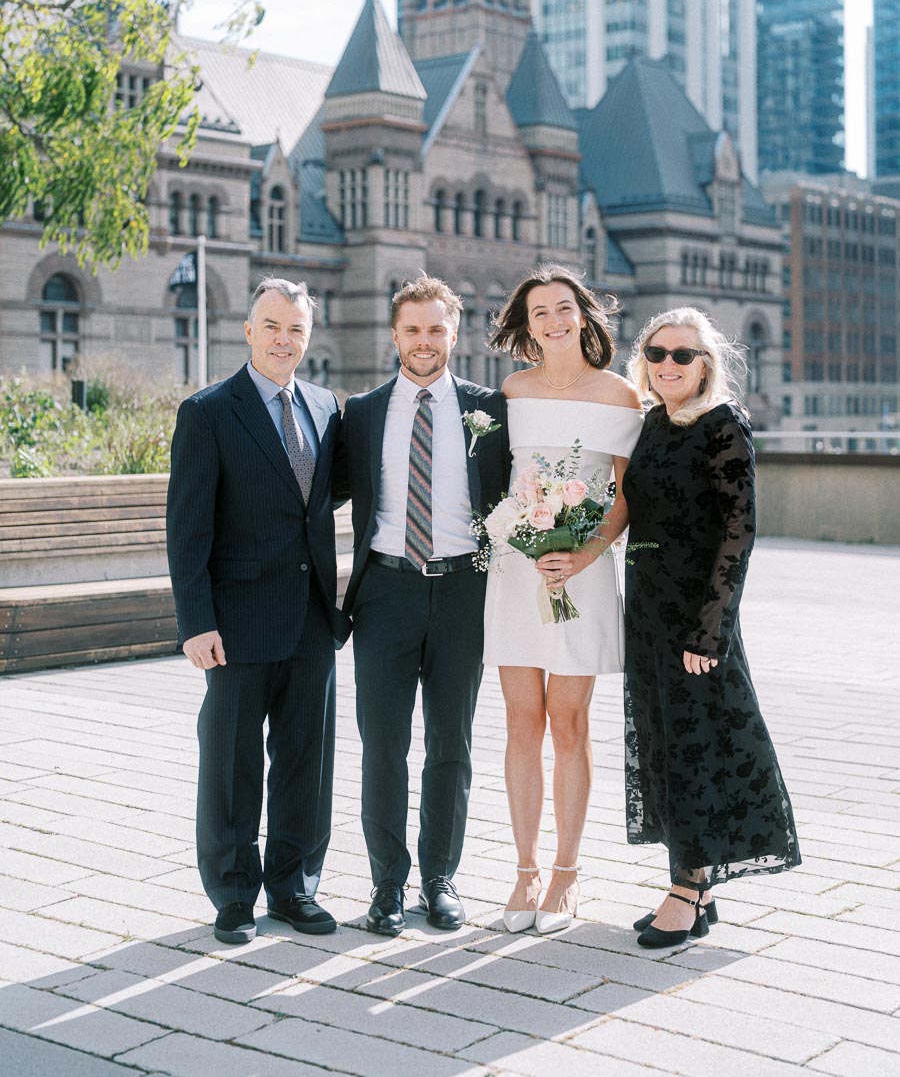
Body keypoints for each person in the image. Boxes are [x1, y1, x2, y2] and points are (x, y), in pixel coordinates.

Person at [166, 277, 349, 946]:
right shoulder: (209, 411)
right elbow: (187, 529)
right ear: (248, 330)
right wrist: (196, 621)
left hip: (309, 622)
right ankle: (234, 896)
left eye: (296, 329)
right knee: (232, 764)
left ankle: (295, 888)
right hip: (236, 622)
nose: (283, 340)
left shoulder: (327, 408)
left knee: (306, 761)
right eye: (272, 326)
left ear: (308, 336)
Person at [334, 275, 509, 936]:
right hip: (385, 591)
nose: (425, 342)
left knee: (451, 746)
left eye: (437, 329)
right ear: (394, 335)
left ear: (454, 335)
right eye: (413, 329)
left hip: (464, 590)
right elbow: (316, 494)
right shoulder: (363, 413)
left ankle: (440, 880)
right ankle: (386, 886)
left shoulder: (490, 410)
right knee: (383, 745)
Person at [622, 306, 800, 948]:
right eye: (657, 353)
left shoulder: (723, 425)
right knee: (663, 743)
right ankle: (686, 877)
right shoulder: (652, 424)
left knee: (697, 741)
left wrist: (710, 629)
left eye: (683, 355)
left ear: (706, 366)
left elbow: (738, 531)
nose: (668, 364)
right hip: (645, 609)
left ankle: (689, 892)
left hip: (695, 617)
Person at [484, 265, 643, 933]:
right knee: (522, 720)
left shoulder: (619, 396)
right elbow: (499, 483)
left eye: (563, 309)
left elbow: (628, 493)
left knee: (568, 721)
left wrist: (583, 553)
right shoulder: (512, 392)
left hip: (585, 568)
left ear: (583, 315)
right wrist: (521, 535)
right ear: (526, 326)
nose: (553, 321)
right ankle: (524, 873)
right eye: (539, 313)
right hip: (518, 569)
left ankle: (567, 875)